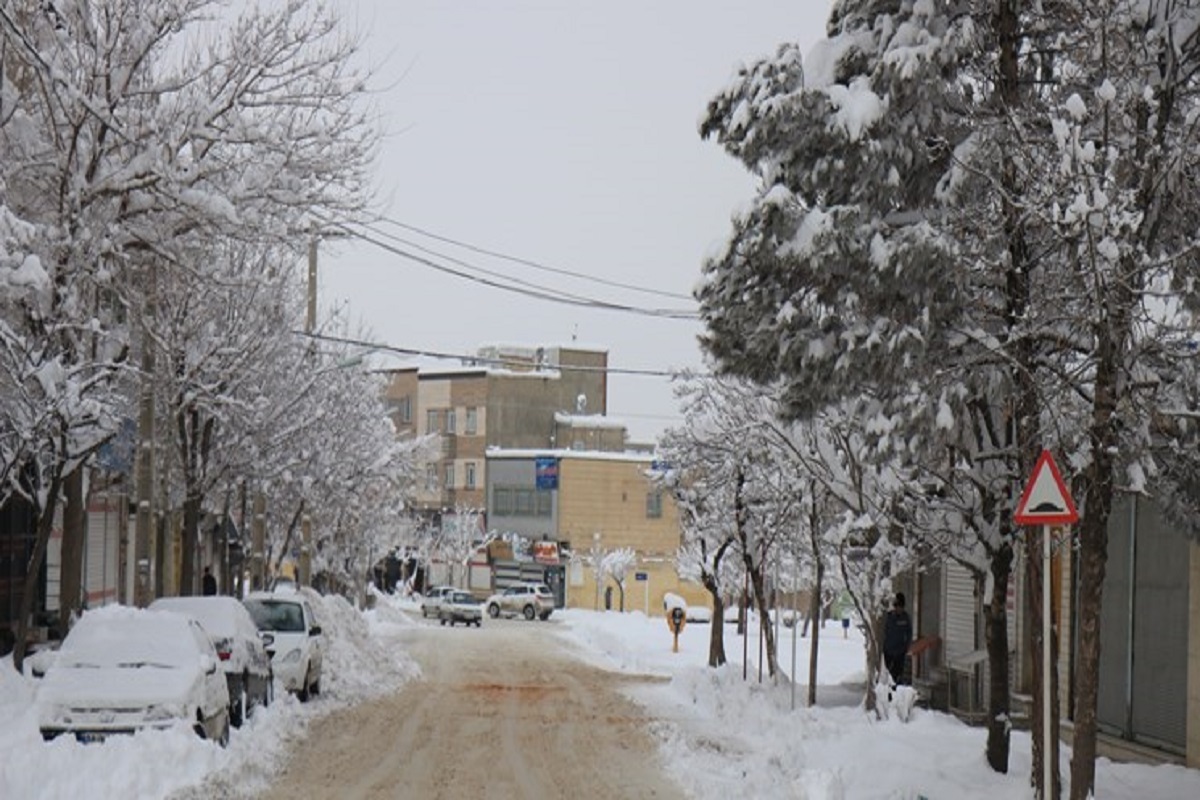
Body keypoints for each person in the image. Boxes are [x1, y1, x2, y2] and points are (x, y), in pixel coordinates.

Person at [883, 592, 912, 687]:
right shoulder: (889, 617)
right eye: (897, 606)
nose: (898, 609)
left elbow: (909, 633)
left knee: (898, 676)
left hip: (900, 652)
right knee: (889, 676)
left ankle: (897, 694)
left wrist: (906, 647)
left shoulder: (905, 618)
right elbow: (884, 632)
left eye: (900, 607)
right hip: (889, 651)